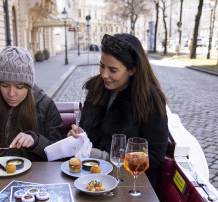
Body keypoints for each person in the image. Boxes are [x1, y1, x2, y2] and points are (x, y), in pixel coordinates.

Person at [68, 33, 168, 191]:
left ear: (132, 70)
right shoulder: (96, 88)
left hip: (130, 185)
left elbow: (155, 156)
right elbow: (88, 135)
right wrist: (77, 137)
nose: (104, 74)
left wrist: (105, 158)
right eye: (101, 65)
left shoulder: (149, 101)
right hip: (91, 178)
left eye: (113, 70)